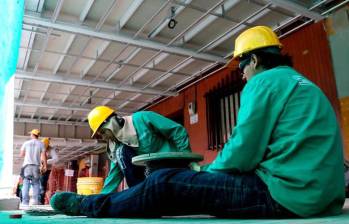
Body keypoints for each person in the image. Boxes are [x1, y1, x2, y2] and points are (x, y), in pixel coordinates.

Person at [50, 26, 345, 218]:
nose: (241, 74)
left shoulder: (263, 83)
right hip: (318, 194)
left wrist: (204, 171)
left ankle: (87, 206)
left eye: (241, 65)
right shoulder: (305, 85)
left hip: (288, 195)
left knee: (164, 182)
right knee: (168, 192)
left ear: (253, 60)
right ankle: (133, 200)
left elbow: (242, 151)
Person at [85, 106, 191, 193]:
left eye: (103, 132)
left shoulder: (143, 118)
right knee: (121, 152)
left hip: (171, 166)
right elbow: (114, 174)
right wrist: (101, 198)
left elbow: (177, 131)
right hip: (150, 176)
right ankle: (140, 194)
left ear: (110, 123)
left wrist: (186, 158)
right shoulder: (116, 146)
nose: (104, 137)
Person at [20, 129, 47, 205]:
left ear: (32, 135)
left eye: (30, 134)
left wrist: (27, 155)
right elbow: (44, 155)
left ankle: (25, 202)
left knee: (26, 183)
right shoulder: (41, 144)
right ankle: (36, 201)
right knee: (36, 184)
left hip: (27, 166)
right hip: (36, 167)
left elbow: (21, 154)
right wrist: (45, 165)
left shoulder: (26, 143)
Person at [39, 137, 58, 204]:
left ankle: (40, 202)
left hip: (46, 170)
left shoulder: (51, 150)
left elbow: (56, 159)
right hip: (38, 168)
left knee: (42, 186)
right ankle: (37, 200)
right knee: (37, 184)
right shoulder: (39, 148)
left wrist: (46, 162)